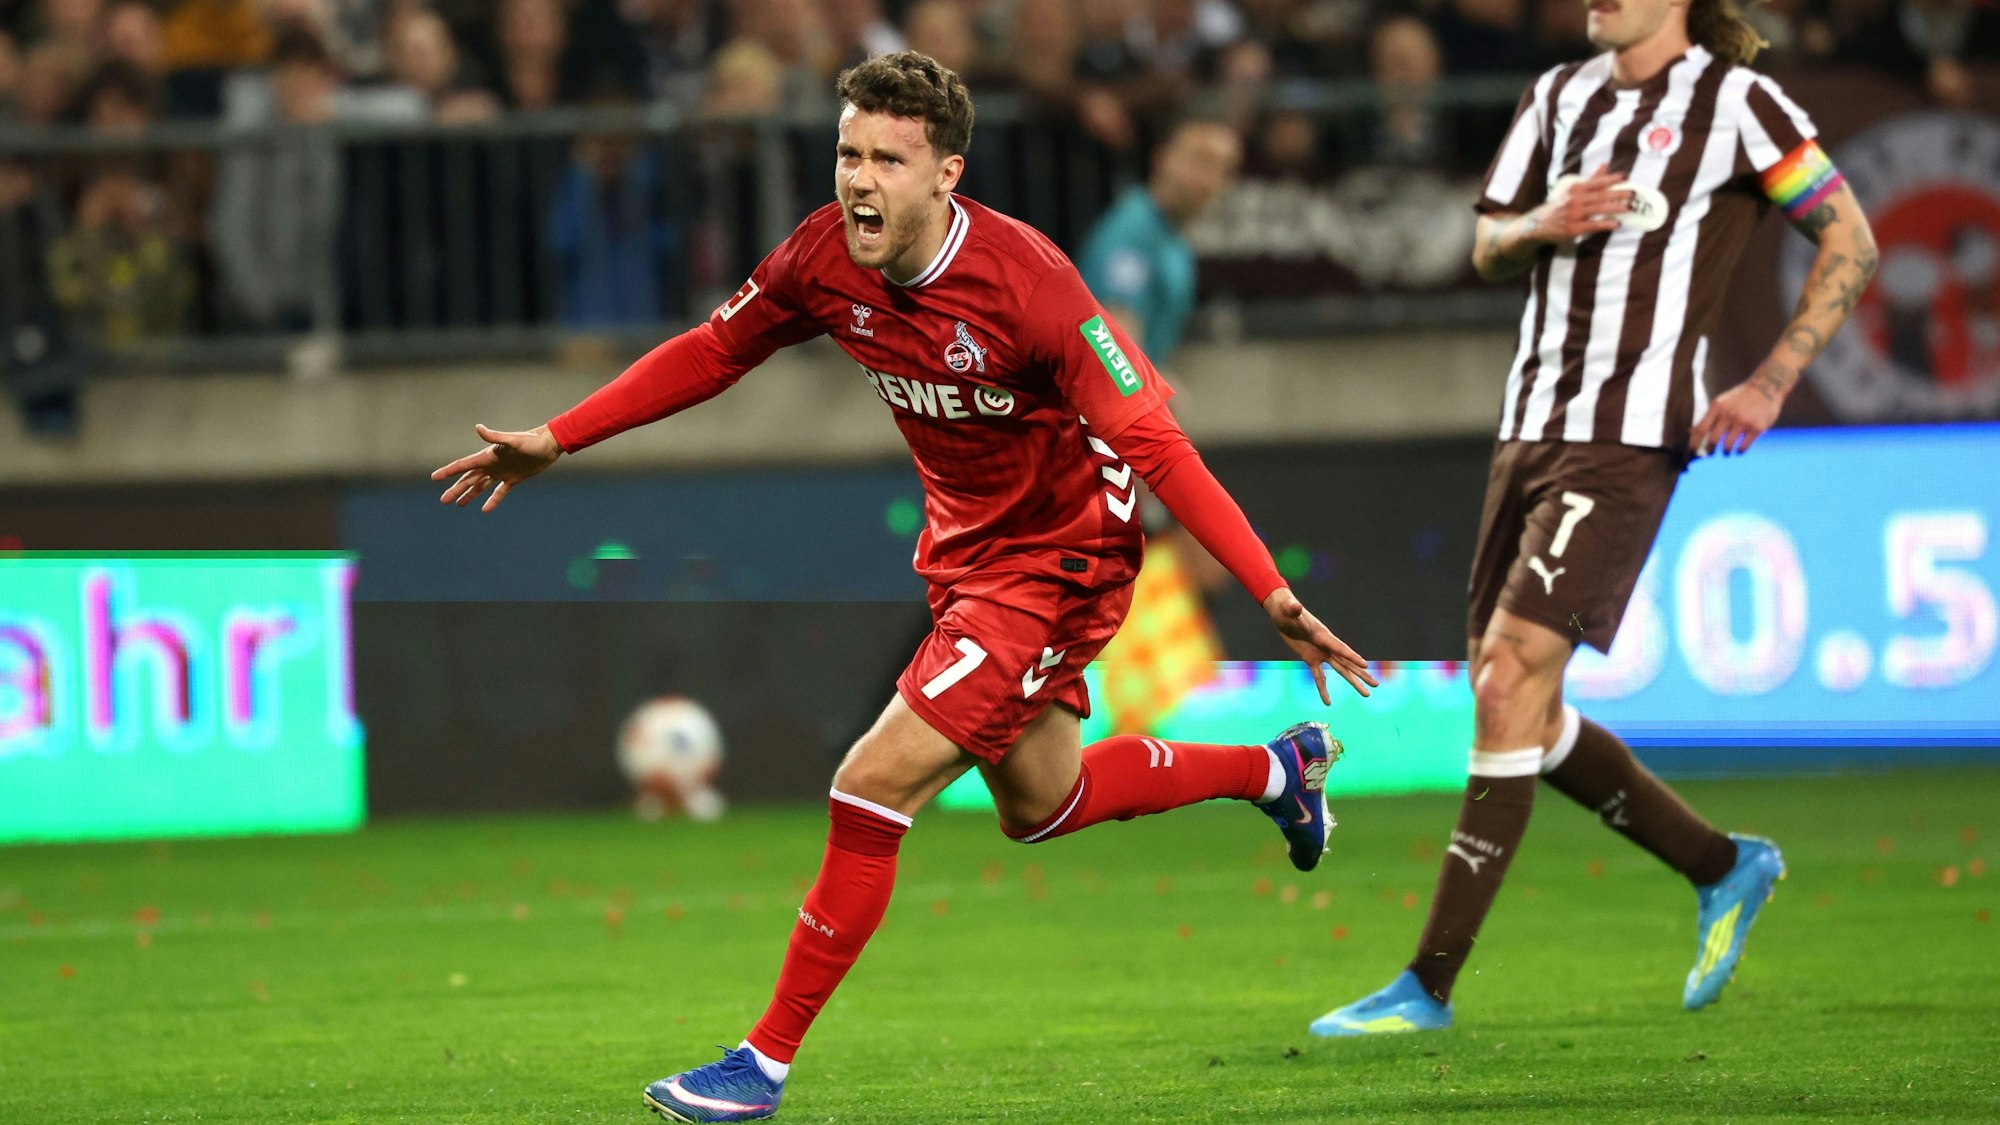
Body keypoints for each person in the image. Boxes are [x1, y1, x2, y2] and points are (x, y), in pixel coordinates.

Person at [430, 51, 1377, 1121]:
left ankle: (760, 1066)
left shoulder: (1033, 287)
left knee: (869, 782)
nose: (858, 179)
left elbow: (1157, 442)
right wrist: (558, 438)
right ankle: (1273, 771)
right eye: (846, 153)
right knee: (1040, 803)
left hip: (1061, 560)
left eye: (888, 158)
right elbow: (712, 350)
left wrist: (1270, 593)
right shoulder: (823, 257)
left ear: (946, 175)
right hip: (967, 556)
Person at [1309, 0, 1878, 1036]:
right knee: (1516, 702)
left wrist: (1768, 381)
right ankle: (1722, 864)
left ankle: (1425, 986)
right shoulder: (1554, 96)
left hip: (1626, 436)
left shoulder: (1736, 103)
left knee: (1506, 677)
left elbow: (1851, 236)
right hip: (1524, 428)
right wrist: (1539, 223)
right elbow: (1485, 246)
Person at [1076, 117, 1241, 366]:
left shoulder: (1173, 237)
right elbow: (1109, 337)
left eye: (1221, 168)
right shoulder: (1132, 230)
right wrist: (1146, 392)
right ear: (1162, 157)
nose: (1206, 178)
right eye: (1199, 160)